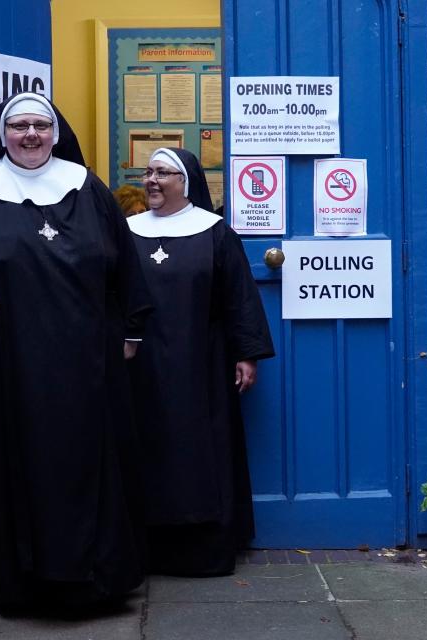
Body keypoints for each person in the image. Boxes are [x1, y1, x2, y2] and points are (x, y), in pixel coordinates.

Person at [0, 92, 153, 611]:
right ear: (2, 134)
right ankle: (24, 583)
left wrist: (132, 331)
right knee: (15, 460)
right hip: (8, 362)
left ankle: (97, 579)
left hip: (88, 359)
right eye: (19, 126)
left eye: (41, 125)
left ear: (56, 131)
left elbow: (125, 267)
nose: (31, 135)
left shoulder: (87, 188)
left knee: (91, 459)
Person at [127, 148, 274, 577]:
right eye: (148, 172)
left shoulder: (214, 232)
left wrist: (246, 354)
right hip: (140, 362)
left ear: (186, 180)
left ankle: (202, 550)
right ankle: (145, 548)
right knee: (144, 446)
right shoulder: (127, 230)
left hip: (202, 363)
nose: (152, 180)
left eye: (163, 173)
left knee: (201, 449)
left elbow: (238, 297)